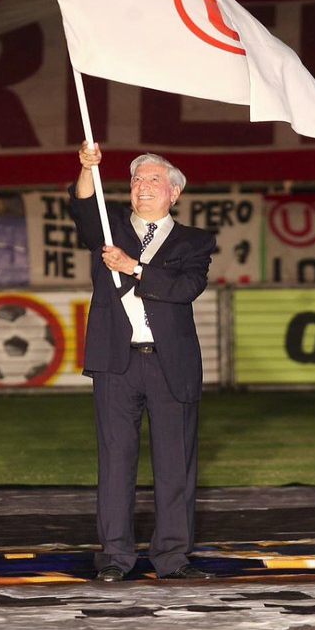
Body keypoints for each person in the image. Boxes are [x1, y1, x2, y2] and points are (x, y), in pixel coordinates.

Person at [69, 141, 217, 582]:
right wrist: (85, 168)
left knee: (176, 466)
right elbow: (82, 206)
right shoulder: (110, 227)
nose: (142, 186)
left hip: (172, 366)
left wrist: (134, 268)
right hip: (117, 362)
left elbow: (185, 288)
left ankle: (172, 559)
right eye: (136, 179)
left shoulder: (194, 241)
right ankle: (114, 558)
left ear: (174, 193)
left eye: (153, 179)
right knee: (116, 464)